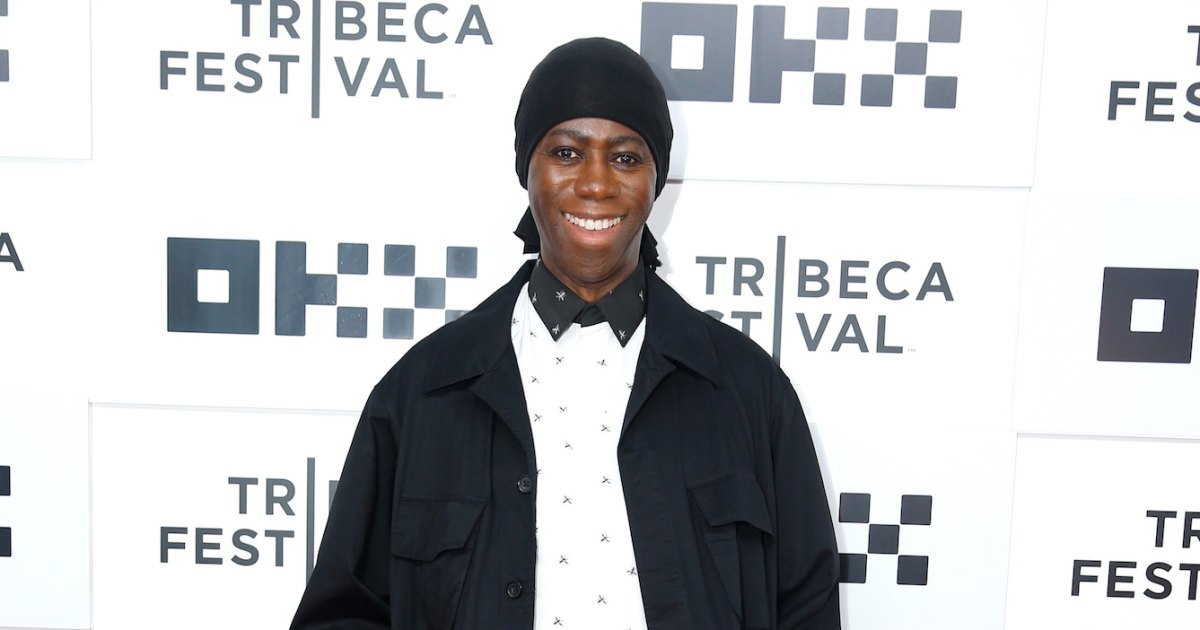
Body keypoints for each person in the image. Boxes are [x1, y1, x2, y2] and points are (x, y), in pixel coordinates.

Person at [291, 37, 840, 630]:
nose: (596, 184)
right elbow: (343, 612)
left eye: (625, 158)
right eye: (567, 152)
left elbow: (807, 610)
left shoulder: (749, 391)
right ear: (528, 170)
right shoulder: (422, 392)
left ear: (656, 179)